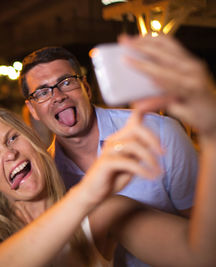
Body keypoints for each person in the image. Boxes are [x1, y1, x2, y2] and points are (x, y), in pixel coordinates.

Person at [18, 39, 198, 266]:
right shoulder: (45, 176)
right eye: (42, 92)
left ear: (86, 87)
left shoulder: (159, 132)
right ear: (33, 109)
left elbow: (202, 227)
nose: (58, 96)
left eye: (66, 82)